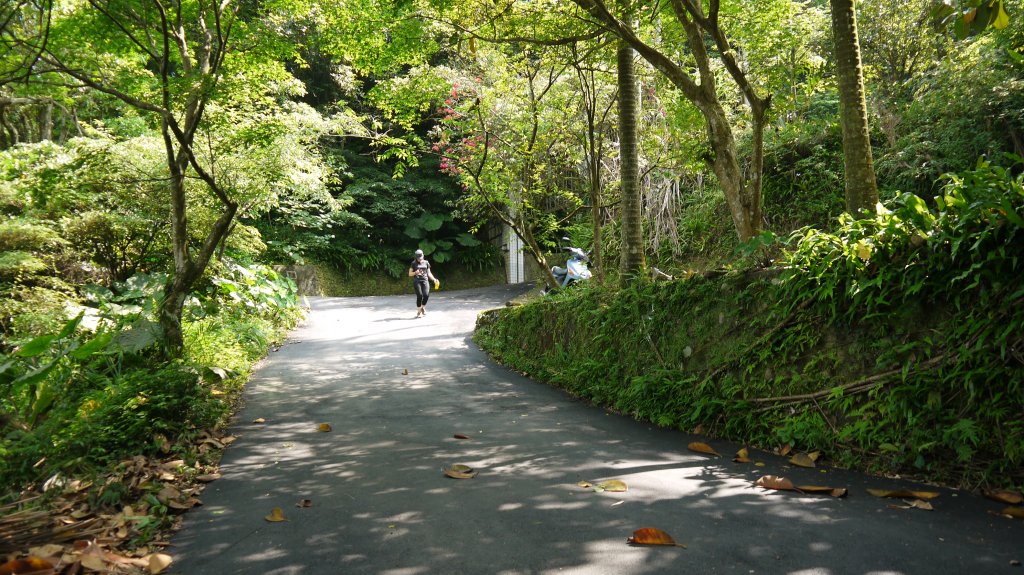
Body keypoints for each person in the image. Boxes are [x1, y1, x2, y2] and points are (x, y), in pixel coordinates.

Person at [408, 249, 439, 318]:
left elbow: (429, 273)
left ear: (423, 256)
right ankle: (419, 311)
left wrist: (434, 279)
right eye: (418, 258)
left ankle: (423, 307)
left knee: (426, 295)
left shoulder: (426, 262)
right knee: (419, 295)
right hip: (417, 281)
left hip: (425, 280)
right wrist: (415, 273)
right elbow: (410, 274)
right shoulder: (413, 263)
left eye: (421, 258)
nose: (420, 259)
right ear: (416, 257)